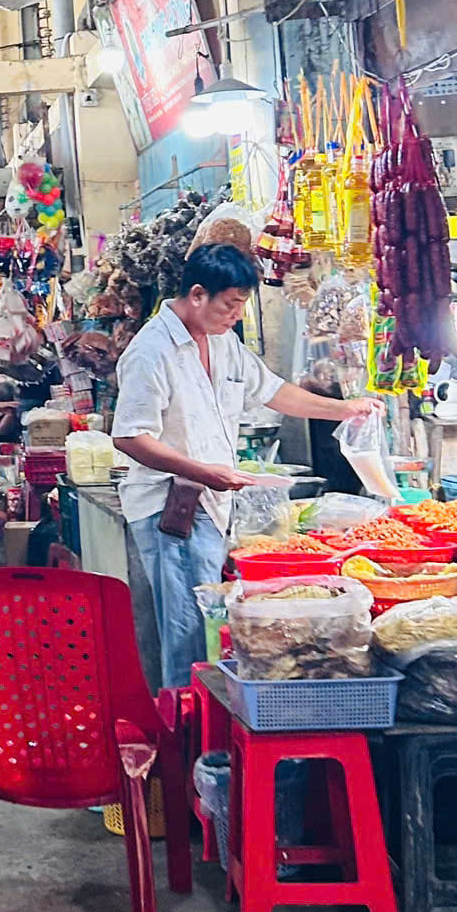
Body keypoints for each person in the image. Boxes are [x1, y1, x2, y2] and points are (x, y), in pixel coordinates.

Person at [111, 242, 380, 686]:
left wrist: (344, 409)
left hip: (212, 504)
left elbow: (274, 392)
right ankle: (186, 724)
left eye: (241, 305)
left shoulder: (223, 343)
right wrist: (205, 472)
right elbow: (129, 436)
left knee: (205, 632)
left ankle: (202, 716)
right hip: (171, 509)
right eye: (230, 305)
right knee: (188, 635)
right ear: (197, 294)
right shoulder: (152, 351)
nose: (236, 316)